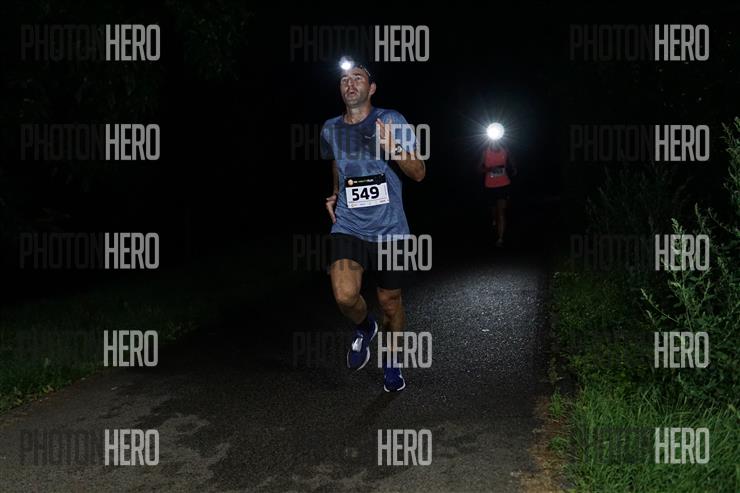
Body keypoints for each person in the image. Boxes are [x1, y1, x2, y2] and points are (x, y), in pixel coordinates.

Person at [321, 63, 425, 392]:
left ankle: (392, 360)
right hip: (348, 224)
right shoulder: (330, 128)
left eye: (358, 78)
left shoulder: (391, 120)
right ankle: (366, 328)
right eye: (344, 79)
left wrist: (393, 146)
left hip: (390, 229)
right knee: (344, 295)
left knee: (390, 302)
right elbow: (336, 161)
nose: (350, 84)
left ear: (372, 88)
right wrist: (335, 193)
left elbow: (419, 172)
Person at [481, 140, 516, 247]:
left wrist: (514, 168)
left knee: (501, 212)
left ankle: (500, 238)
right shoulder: (485, 151)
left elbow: (511, 161)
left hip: (504, 185)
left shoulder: (505, 149)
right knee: (494, 210)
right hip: (490, 186)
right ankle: (494, 219)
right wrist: (488, 169)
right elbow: (478, 168)